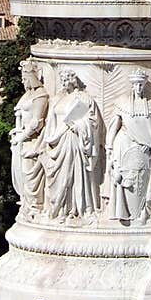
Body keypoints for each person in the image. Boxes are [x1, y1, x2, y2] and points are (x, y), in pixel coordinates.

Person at [43, 68, 103, 220]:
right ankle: (61, 208)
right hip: (59, 141)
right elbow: (51, 121)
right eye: (62, 80)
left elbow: (93, 121)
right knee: (60, 176)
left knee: (73, 175)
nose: (63, 83)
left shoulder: (83, 98)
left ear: (73, 80)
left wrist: (79, 126)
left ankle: (75, 208)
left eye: (66, 80)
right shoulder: (58, 99)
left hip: (74, 140)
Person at [106, 69, 151, 225]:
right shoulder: (123, 103)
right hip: (124, 144)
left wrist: (150, 146)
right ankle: (124, 213)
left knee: (142, 181)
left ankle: (143, 212)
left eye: (141, 85)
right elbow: (113, 126)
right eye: (136, 85)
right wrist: (109, 147)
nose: (139, 88)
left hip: (143, 150)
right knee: (125, 180)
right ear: (132, 86)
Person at [10, 58, 49, 218]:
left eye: (25, 77)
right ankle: (28, 205)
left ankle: (35, 207)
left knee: (29, 175)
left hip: (32, 143)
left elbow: (37, 123)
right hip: (23, 140)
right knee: (24, 176)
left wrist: (22, 137)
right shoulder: (28, 94)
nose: (22, 80)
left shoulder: (41, 95)